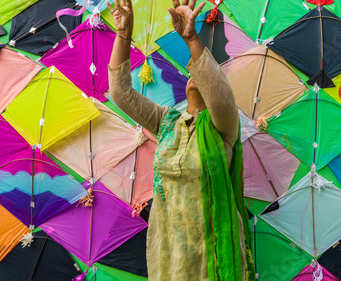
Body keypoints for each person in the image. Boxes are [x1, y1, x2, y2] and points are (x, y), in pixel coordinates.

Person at [106, 0, 255, 280]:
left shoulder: (222, 127)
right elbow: (121, 93)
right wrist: (123, 34)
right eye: (191, 73)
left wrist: (191, 37)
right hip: (171, 251)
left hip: (213, 253)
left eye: (200, 73)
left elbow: (218, 91)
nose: (194, 76)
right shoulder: (166, 123)